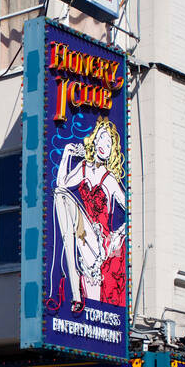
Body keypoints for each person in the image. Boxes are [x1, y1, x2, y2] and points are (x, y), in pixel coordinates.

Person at [51, 116, 128, 312]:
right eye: (102, 138)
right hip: (81, 233)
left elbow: (130, 210)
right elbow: (61, 186)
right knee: (60, 195)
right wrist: (67, 154)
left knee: (63, 198)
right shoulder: (84, 167)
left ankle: (77, 292)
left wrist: (117, 236)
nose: (104, 144)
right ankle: (76, 292)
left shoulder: (109, 179)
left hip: (100, 240)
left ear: (113, 151)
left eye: (109, 142)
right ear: (94, 140)